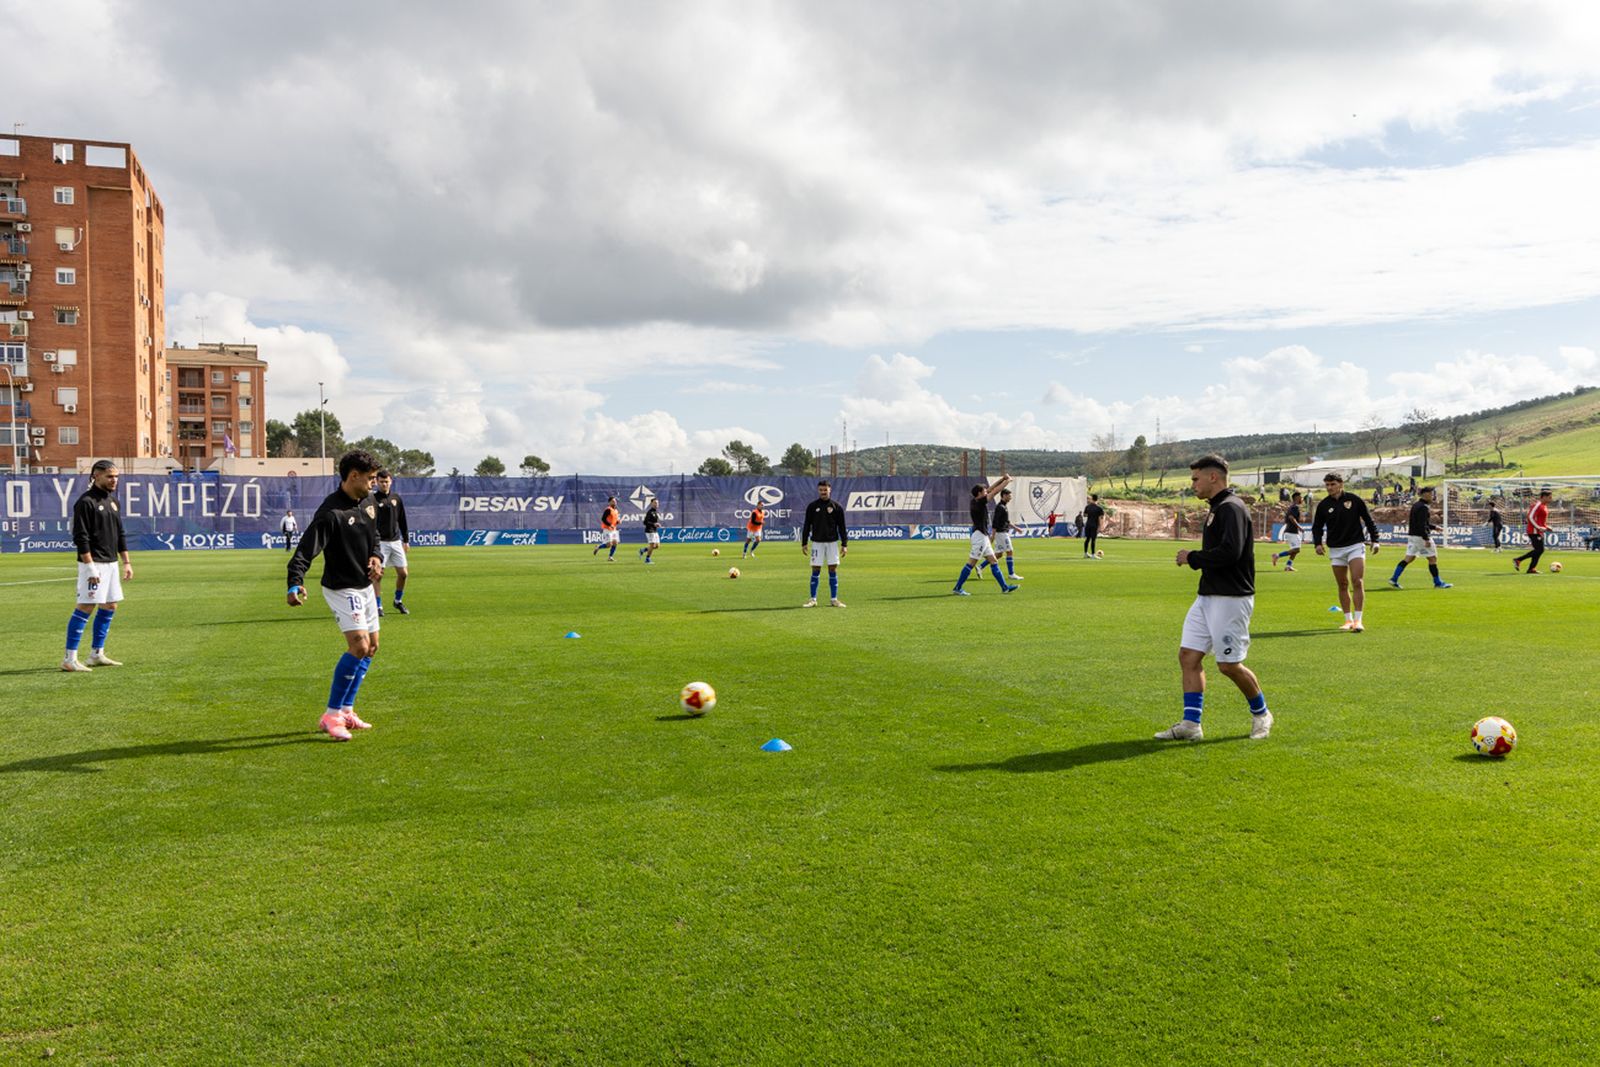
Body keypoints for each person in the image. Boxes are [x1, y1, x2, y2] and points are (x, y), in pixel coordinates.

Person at [1157, 455, 1271, 741]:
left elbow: (1230, 552)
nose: (1192, 484)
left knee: (1228, 665)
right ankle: (1191, 725)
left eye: (1195, 479)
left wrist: (1191, 557)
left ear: (1213, 478)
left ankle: (1262, 714)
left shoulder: (1231, 508)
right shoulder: (1217, 508)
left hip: (1231, 598)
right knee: (1188, 656)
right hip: (1207, 595)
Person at [287, 449, 384, 741]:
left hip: (365, 586)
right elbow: (305, 550)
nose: (373, 485)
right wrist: (295, 582)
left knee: (372, 647)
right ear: (353, 476)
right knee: (358, 645)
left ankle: (346, 709)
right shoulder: (331, 513)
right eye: (369, 479)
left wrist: (376, 556)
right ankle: (331, 715)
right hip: (341, 587)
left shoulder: (368, 502)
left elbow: (374, 535)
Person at [61, 460, 133, 672]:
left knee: (110, 605)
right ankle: (69, 658)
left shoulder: (113, 502)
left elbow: (119, 534)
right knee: (85, 606)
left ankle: (96, 654)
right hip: (93, 564)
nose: (114, 480)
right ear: (96, 476)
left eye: (116, 476)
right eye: (110, 476)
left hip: (111, 564)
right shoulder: (85, 502)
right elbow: (80, 536)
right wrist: (90, 566)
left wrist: (126, 562)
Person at [1311, 472, 1381, 632]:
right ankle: (1348, 620)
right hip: (1336, 549)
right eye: (1327, 485)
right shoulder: (1323, 505)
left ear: (1341, 484)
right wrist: (1317, 544)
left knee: (1357, 581)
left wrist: (1375, 540)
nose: (1329, 488)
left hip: (1355, 545)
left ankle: (1358, 620)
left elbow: (1369, 520)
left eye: (1333, 484)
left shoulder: (1354, 500)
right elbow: (1317, 527)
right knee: (1342, 584)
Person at [952, 476, 1019, 596]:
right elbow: (995, 491)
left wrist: (1002, 479)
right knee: (971, 563)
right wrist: (1007, 481)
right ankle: (957, 587)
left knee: (993, 561)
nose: (986, 491)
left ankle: (1004, 587)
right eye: (983, 491)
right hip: (980, 537)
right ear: (979, 494)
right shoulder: (979, 502)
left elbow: (991, 489)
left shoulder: (976, 500)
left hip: (982, 536)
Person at [1388, 486, 1451, 589]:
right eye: (1431, 494)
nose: (1433, 496)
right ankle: (1438, 583)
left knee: (1409, 558)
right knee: (1432, 558)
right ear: (1425, 495)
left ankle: (1394, 579)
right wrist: (1426, 538)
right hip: (1420, 537)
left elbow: (1420, 523)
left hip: (1413, 536)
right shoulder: (1423, 507)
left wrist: (1434, 527)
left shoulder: (1417, 505)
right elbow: (1422, 525)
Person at [800, 480, 848, 607]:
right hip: (817, 543)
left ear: (829, 490)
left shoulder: (837, 507)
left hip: (832, 543)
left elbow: (842, 527)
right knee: (815, 569)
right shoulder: (812, 506)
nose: (823, 492)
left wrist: (844, 544)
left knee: (833, 569)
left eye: (825, 490)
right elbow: (806, 525)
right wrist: (804, 542)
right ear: (818, 490)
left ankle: (834, 599)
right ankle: (813, 599)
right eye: (821, 490)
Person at [371, 470, 411, 615]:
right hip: (380, 543)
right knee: (378, 575)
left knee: (403, 574)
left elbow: (402, 520)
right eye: (381, 481)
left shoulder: (396, 498)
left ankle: (397, 601)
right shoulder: (372, 499)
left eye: (386, 481)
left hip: (395, 542)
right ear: (376, 482)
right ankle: (378, 605)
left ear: (391, 481)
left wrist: (406, 540)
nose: (384, 484)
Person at [1513, 489, 1553, 574]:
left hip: (1538, 531)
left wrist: (1546, 526)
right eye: (1549, 497)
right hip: (1534, 531)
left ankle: (1531, 569)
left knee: (1538, 550)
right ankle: (1518, 559)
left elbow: (1540, 520)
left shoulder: (1544, 506)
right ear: (1544, 497)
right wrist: (1538, 527)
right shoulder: (1537, 505)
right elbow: (1530, 517)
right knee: (1540, 550)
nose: (1551, 499)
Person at [993, 486, 1024, 581]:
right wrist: (993, 535)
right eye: (1009, 496)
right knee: (1009, 551)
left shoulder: (1004, 507)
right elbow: (995, 521)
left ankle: (980, 567)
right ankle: (1011, 574)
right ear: (1004, 496)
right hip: (1001, 533)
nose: (1010, 498)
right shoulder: (1000, 507)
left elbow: (1006, 521)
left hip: (1001, 533)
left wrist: (1016, 528)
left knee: (998, 555)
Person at [1270, 491, 1305, 571]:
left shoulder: (1293, 507)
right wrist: (1299, 526)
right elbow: (1291, 517)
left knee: (1294, 550)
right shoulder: (1294, 507)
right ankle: (1277, 555)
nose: (1302, 499)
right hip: (1291, 531)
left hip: (1291, 531)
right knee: (1297, 549)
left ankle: (1288, 566)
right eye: (1301, 497)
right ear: (1297, 498)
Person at [593, 495, 620, 560]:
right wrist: (610, 525)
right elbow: (603, 519)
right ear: (610, 502)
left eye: (615, 501)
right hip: (607, 529)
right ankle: (598, 547)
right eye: (613, 501)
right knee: (609, 544)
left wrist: (617, 522)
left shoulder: (616, 510)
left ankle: (610, 557)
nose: (615, 502)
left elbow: (615, 521)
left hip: (614, 529)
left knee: (615, 543)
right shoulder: (608, 509)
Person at [639, 497, 661, 563]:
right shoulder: (650, 512)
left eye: (657, 503)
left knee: (657, 546)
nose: (656, 504)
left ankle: (643, 550)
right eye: (655, 503)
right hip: (649, 530)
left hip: (654, 530)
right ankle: (647, 559)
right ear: (651, 503)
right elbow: (645, 522)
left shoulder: (655, 512)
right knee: (652, 545)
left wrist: (656, 524)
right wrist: (654, 524)